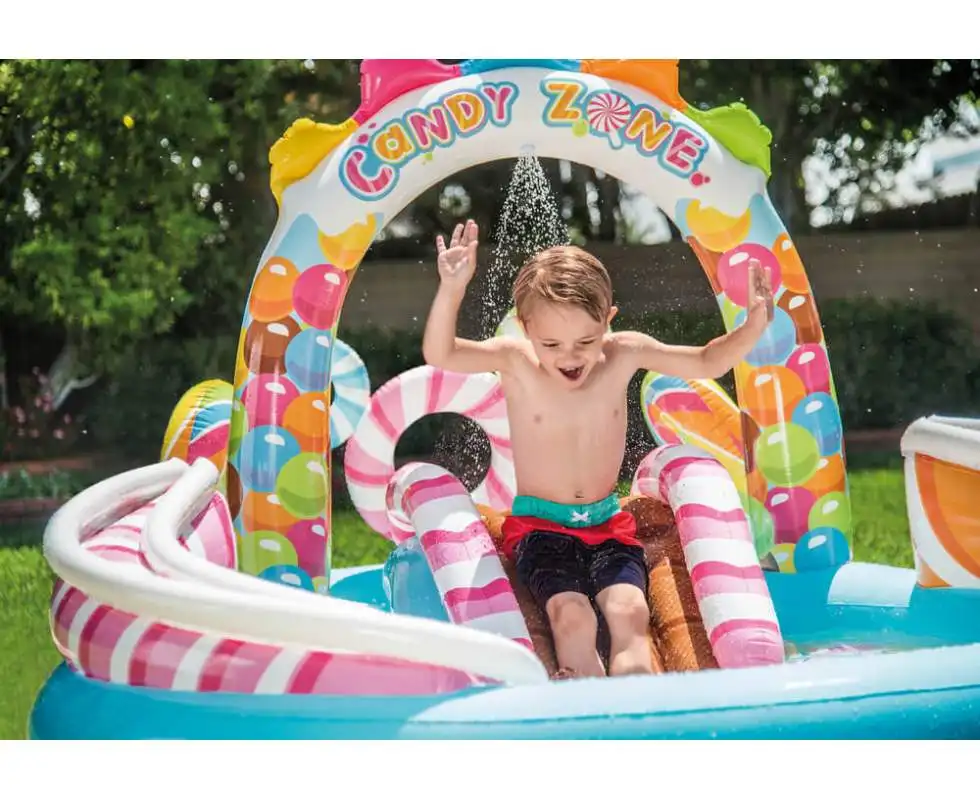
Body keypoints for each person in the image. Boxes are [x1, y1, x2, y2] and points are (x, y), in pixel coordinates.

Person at [422, 219, 774, 681]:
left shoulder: (624, 353)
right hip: (540, 529)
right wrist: (452, 289)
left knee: (629, 611)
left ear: (608, 319)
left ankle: (638, 699)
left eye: (585, 342)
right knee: (572, 615)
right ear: (526, 328)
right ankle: (583, 697)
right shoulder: (515, 360)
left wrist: (753, 324)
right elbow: (441, 354)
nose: (569, 357)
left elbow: (708, 361)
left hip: (609, 526)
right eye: (551, 344)